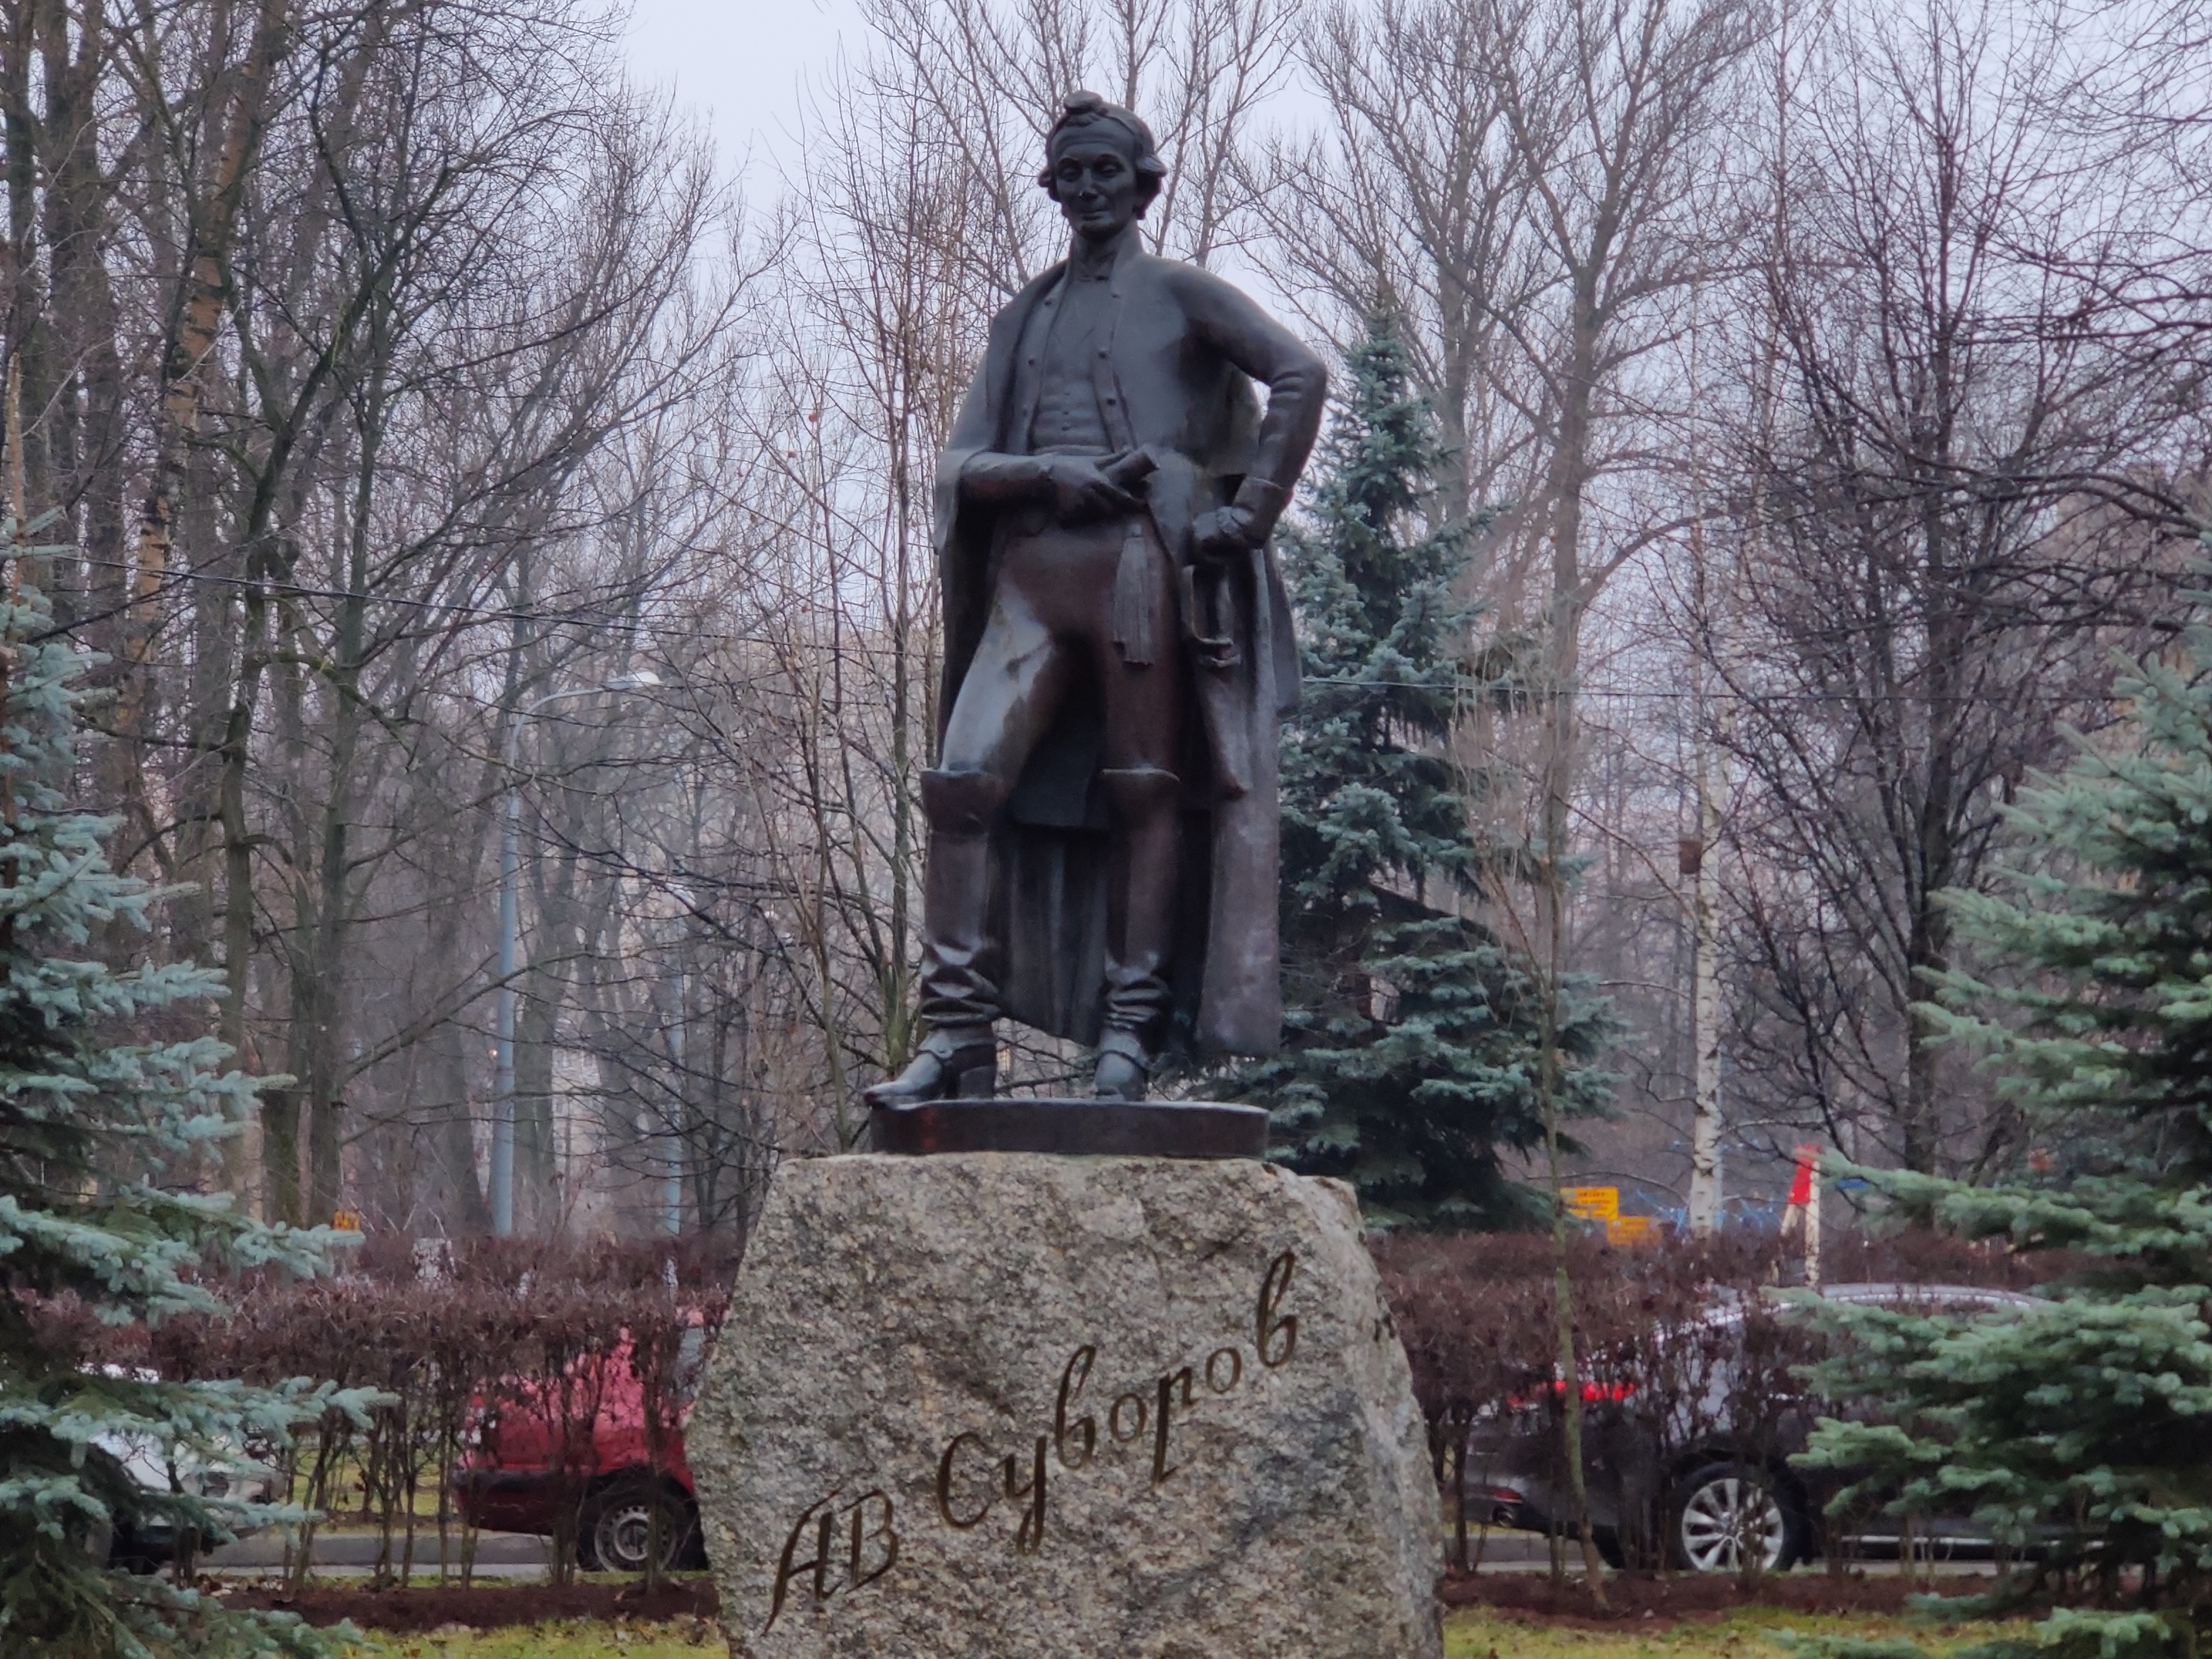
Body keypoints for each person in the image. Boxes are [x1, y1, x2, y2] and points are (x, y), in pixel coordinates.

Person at [865, 90, 1326, 1107]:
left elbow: (1300, 373)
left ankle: (1130, 1032)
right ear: (1053, 187)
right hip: (1031, 581)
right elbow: (963, 464)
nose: (1087, 189)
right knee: (963, 780)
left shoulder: (1183, 295)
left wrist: (1248, 515)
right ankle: (958, 1035)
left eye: (1105, 170)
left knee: (1144, 789)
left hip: (1138, 570)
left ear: (1143, 183)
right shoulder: (1023, 317)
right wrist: (1047, 476)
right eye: (1070, 173)